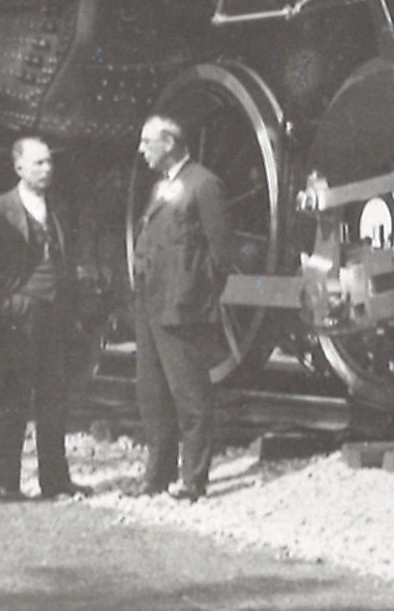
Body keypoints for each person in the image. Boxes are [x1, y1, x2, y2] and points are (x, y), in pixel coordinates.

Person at [0, 135, 93, 502]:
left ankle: (54, 480)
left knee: (54, 398)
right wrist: (7, 304)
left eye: (49, 162)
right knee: (14, 398)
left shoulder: (58, 208)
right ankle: (6, 482)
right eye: (38, 163)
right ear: (18, 167)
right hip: (18, 319)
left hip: (55, 314)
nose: (47, 169)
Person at [129, 114, 233, 500]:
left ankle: (193, 479)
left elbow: (221, 254)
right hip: (151, 304)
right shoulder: (163, 187)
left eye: (147, 142)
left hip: (180, 307)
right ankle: (157, 476)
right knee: (152, 393)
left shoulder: (204, 185)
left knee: (190, 395)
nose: (142, 150)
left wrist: (194, 295)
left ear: (169, 142)